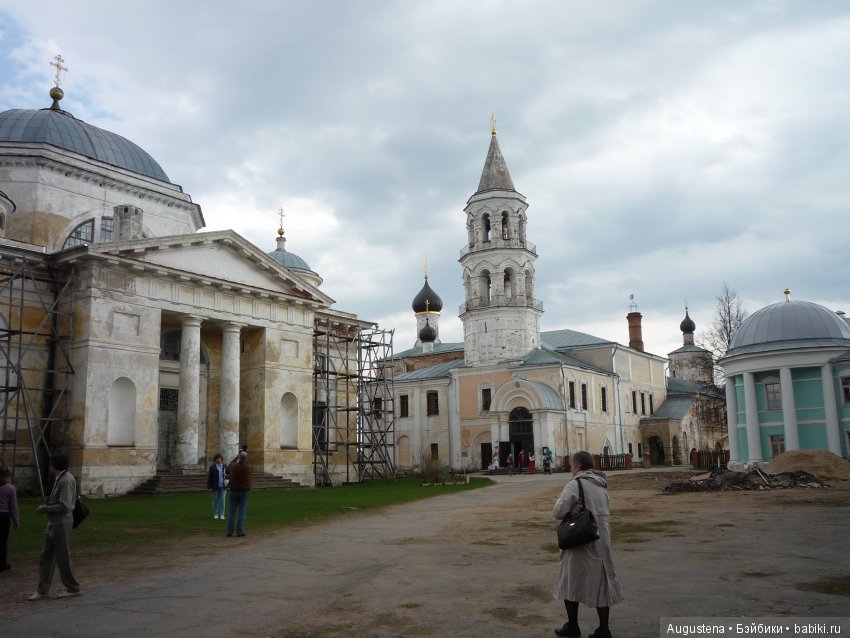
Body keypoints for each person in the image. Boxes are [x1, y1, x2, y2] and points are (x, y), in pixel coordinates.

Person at [552, 450, 622, 638]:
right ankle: (604, 629)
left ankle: (573, 626)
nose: (571, 469)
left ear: (578, 467)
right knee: (601, 583)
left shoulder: (575, 484)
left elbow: (559, 511)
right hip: (600, 539)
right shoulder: (601, 485)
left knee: (570, 581)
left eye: (572, 466)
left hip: (579, 540)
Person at [29, 454, 82, 600]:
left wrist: (45, 508)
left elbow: (65, 506)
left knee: (63, 556)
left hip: (62, 522)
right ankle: (42, 590)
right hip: (54, 522)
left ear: (54, 465)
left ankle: (73, 587)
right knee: (46, 556)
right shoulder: (60, 479)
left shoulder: (66, 480)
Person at [226, 449, 251, 538]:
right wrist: (243, 457)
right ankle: (240, 531)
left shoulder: (234, 466)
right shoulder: (248, 467)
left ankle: (230, 531)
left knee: (231, 511)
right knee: (242, 511)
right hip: (244, 490)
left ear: (239, 457)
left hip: (234, 490)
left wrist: (237, 457)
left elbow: (228, 466)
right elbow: (247, 462)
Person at [0, 467, 20, 572]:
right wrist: (16, 521)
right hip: (3, 517)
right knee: (3, 542)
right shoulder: (10, 488)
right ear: (6, 476)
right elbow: (13, 506)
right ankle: (2, 564)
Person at [207, 454, 228, 520]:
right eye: (217, 458)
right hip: (215, 486)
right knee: (215, 500)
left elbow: (229, 474)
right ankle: (215, 514)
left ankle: (222, 514)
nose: (218, 459)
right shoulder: (212, 467)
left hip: (223, 486)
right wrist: (209, 487)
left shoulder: (225, 466)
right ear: (215, 460)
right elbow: (209, 477)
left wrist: (227, 478)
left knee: (223, 501)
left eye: (219, 458)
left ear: (221, 459)